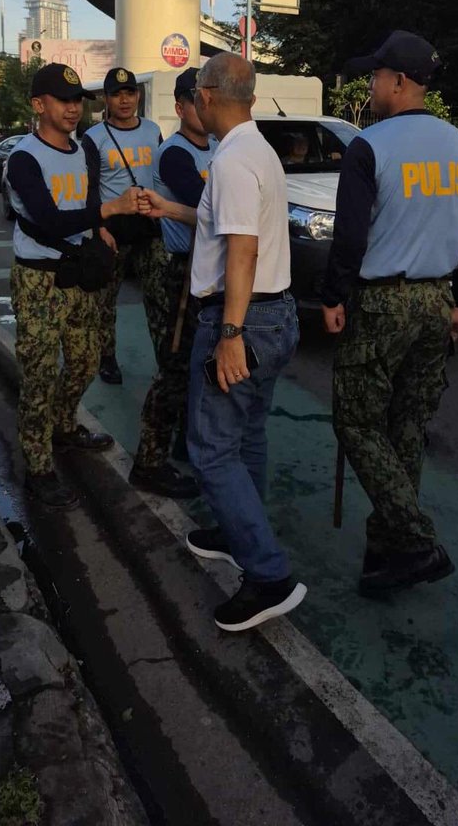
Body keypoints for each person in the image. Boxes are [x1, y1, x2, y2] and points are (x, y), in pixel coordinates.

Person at [141, 54, 306, 633]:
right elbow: (225, 226)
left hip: (243, 320)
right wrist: (170, 208)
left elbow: (242, 250)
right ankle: (238, 534)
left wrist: (230, 334)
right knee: (247, 434)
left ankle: (267, 576)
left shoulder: (233, 161)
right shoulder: (254, 150)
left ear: (207, 96)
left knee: (210, 448)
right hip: (274, 315)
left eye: (193, 94)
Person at [321, 30, 458, 595]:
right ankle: (387, 551)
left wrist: (334, 296)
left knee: (357, 422)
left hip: (382, 302)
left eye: (375, 77)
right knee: (406, 427)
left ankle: (414, 539)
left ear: (398, 82)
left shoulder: (371, 146)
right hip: (437, 301)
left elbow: (350, 236)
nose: (370, 87)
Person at [7, 63, 143, 507]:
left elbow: (84, 200)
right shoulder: (24, 158)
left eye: (77, 102)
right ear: (38, 105)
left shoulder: (84, 149)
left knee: (85, 360)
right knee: (40, 374)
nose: (72, 110)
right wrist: (106, 215)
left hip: (81, 271)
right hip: (40, 278)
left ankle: (63, 425)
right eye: (63, 102)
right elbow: (46, 220)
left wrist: (96, 230)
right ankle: (38, 465)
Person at [129, 68, 217, 499]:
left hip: (205, 270)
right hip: (175, 272)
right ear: (181, 107)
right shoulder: (176, 154)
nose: (202, 105)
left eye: (207, 96)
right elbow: (212, 210)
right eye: (193, 98)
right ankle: (149, 461)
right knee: (175, 366)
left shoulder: (218, 146)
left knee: (198, 365)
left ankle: (185, 441)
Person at [82, 67, 165, 385]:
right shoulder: (94, 138)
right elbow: (89, 188)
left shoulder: (153, 130)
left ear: (138, 95)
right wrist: (98, 227)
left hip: (149, 225)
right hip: (112, 228)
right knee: (105, 302)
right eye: (117, 94)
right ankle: (107, 358)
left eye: (129, 92)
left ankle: (165, 359)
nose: (124, 100)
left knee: (159, 298)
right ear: (106, 99)